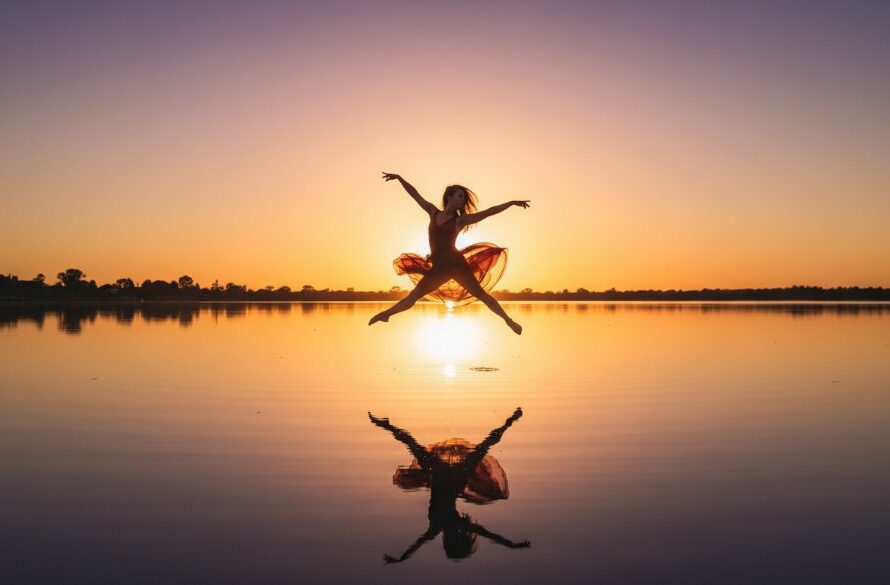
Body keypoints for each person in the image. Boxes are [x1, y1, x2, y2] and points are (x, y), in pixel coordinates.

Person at [368, 172, 529, 334]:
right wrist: (400, 179)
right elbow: (415, 195)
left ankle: (509, 321)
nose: (462, 200)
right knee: (414, 295)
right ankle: (386, 314)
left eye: (463, 198)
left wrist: (511, 203)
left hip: (456, 265)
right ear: (449, 197)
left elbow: (488, 212)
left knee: (481, 295)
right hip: (438, 267)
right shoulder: (433, 212)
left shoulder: (460, 220)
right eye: (459, 196)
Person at [368, 408, 530, 562]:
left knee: (412, 444)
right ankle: (511, 420)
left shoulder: (436, 528)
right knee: (483, 447)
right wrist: (510, 544)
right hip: (454, 477)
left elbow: (418, 544)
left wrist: (402, 557)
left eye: (450, 542)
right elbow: (490, 535)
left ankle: (386, 424)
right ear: (459, 538)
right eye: (455, 541)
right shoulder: (454, 525)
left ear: (447, 540)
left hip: (440, 474)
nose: (451, 537)